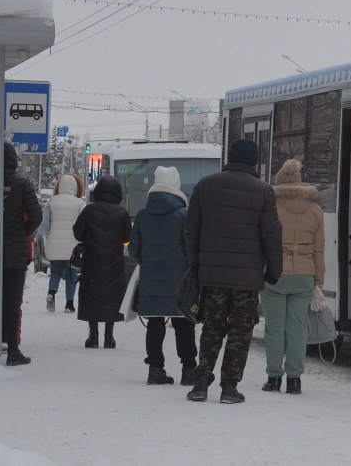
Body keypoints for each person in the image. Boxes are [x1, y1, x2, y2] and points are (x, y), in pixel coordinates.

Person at [184, 139, 282, 404]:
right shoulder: (264, 191)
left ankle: (201, 382)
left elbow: (191, 229)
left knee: (212, 327)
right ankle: (229, 387)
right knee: (241, 331)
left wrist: (196, 264)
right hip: (247, 279)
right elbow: (271, 235)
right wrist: (274, 271)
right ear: (253, 161)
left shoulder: (206, 185)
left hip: (212, 276)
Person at [129, 166, 198, 386]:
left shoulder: (142, 215)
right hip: (180, 281)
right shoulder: (184, 215)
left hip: (151, 279)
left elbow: (134, 251)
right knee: (184, 324)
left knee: (155, 323)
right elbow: (192, 249)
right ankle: (188, 370)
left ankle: (155, 369)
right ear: (176, 186)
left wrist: (149, 262)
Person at [262, 159, 324, 395]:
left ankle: (273, 378)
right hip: (304, 276)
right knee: (298, 328)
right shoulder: (315, 210)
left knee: (275, 329)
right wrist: (319, 281)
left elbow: (263, 242)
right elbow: (319, 249)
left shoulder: (271, 207)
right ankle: (295, 380)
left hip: (275, 274)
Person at [73, 175, 132, 349]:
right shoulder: (122, 213)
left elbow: (78, 233)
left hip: (92, 260)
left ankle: (93, 336)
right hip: (114, 262)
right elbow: (127, 237)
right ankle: (109, 336)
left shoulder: (89, 211)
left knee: (92, 294)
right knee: (112, 295)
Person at [2, 142, 42, 366]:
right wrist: (21, 232)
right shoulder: (21, 184)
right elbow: (36, 216)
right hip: (15, 254)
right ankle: (12, 351)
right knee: (12, 300)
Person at [38, 173, 87, 313]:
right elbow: (85, 222)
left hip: (54, 244)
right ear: (75, 187)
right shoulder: (79, 203)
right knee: (71, 275)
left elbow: (43, 224)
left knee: (55, 273)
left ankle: (51, 294)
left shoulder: (52, 202)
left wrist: (50, 234)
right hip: (73, 246)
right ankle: (69, 305)